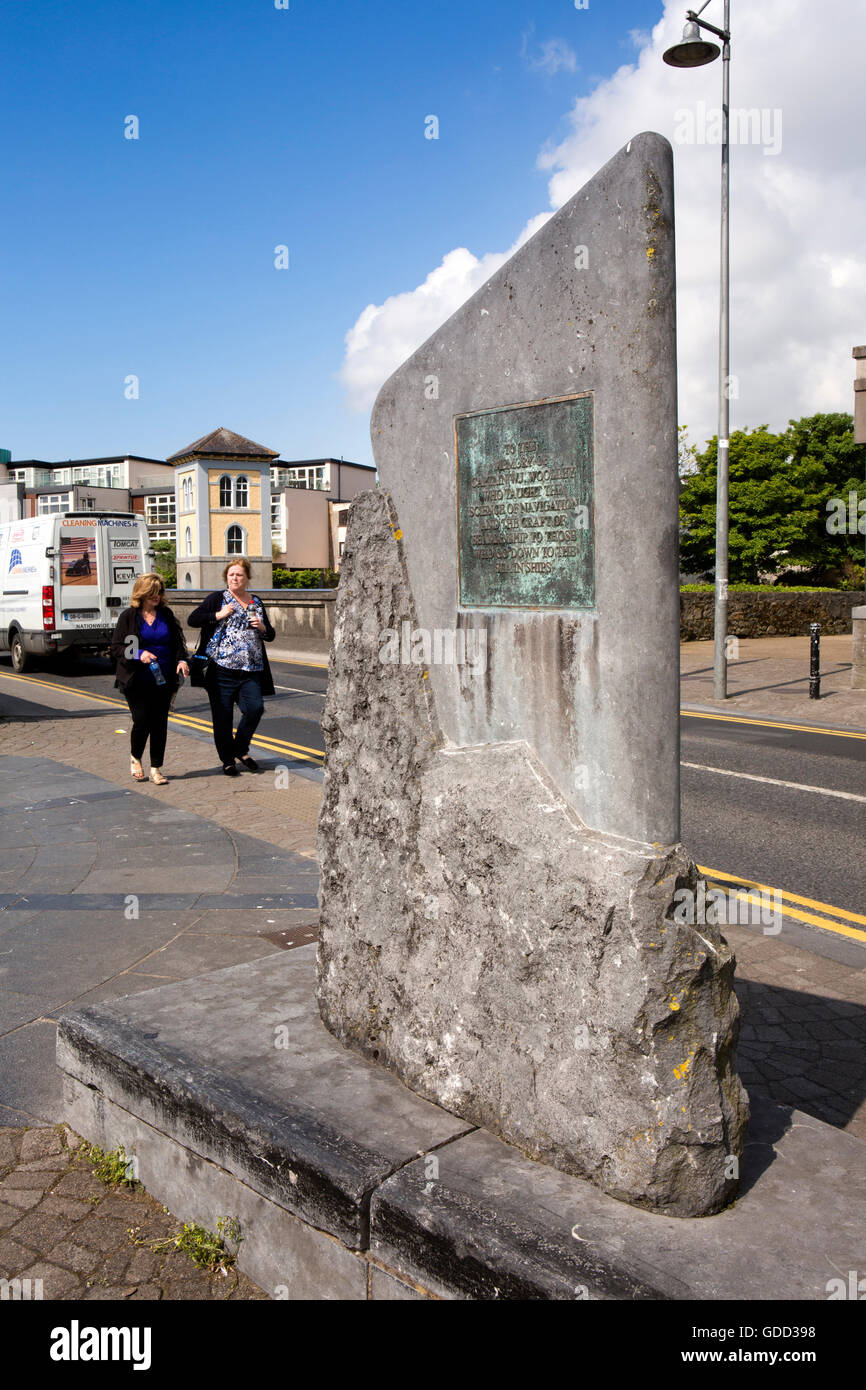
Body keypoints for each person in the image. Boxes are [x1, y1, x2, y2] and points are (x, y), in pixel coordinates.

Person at [188, 559, 276, 776]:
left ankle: (240, 748)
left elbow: (270, 635)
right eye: (231, 575)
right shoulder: (217, 599)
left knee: (255, 708)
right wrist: (218, 615)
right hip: (221, 669)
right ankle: (228, 760)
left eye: (238, 575)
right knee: (223, 717)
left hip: (251, 670)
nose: (234, 578)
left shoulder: (256, 602)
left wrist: (263, 627)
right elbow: (193, 619)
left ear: (247, 578)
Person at [110, 573, 190, 785]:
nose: (157, 596)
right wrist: (139, 654)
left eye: (160, 592)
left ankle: (156, 768)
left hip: (163, 678)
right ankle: (135, 757)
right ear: (142, 593)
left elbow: (177, 644)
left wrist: (182, 661)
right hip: (136, 678)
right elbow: (117, 647)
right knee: (142, 721)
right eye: (152, 593)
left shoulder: (165, 614)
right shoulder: (129, 616)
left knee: (159, 723)